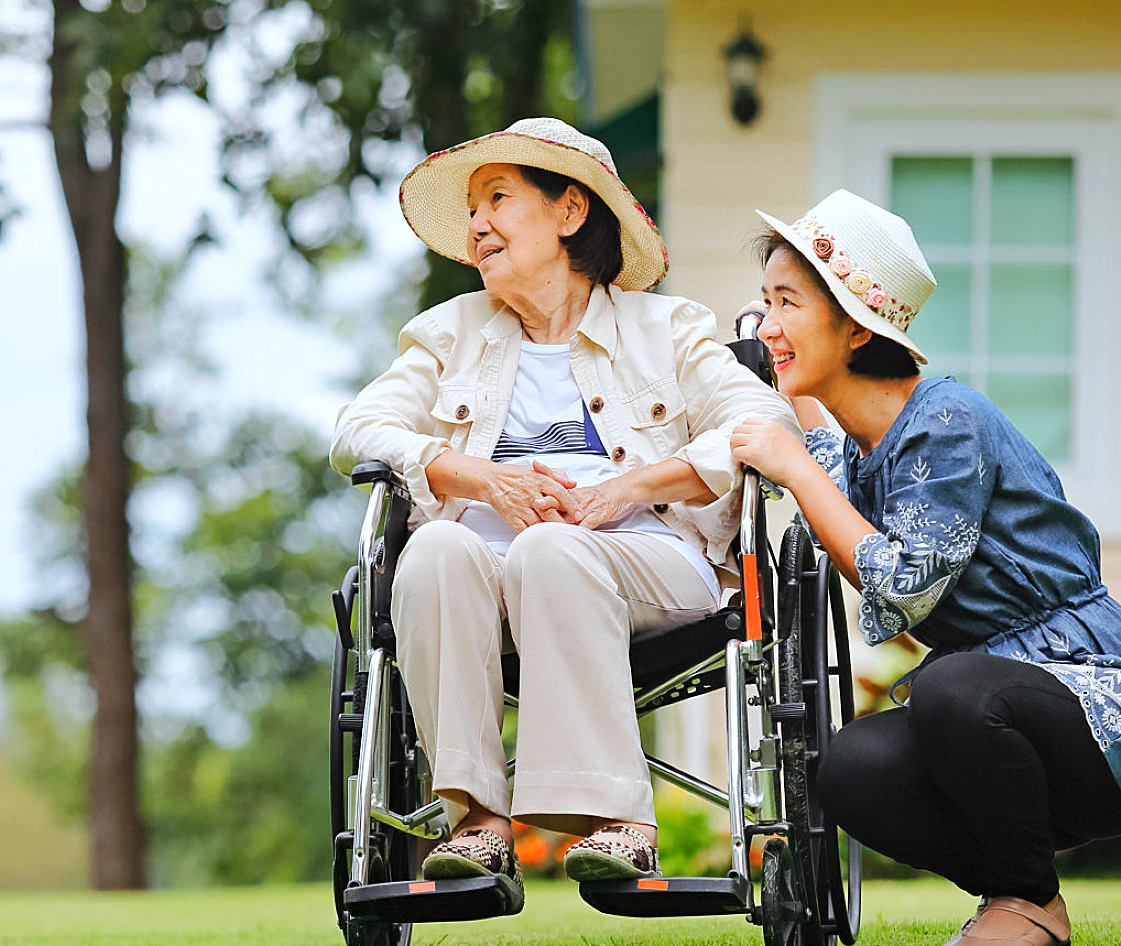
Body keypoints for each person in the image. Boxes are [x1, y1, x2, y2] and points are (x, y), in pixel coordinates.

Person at [329, 117, 796, 900]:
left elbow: (766, 424)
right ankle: (479, 824)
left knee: (552, 549)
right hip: (481, 572)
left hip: (645, 560)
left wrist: (630, 488)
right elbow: (356, 431)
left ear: (570, 212)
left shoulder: (668, 329)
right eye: (473, 208)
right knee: (433, 553)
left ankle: (620, 825)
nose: (477, 223)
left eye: (499, 199)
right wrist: (481, 479)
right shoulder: (450, 334)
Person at [728, 189, 1121, 946]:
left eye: (786, 304)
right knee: (850, 768)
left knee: (948, 683)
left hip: (1097, 708)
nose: (769, 325)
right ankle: (1025, 899)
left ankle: (1025, 902)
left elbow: (903, 585)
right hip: (990, 719)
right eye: (763, 303)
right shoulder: (858, 444)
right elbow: (823, 465)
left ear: (853, 328)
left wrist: (801, 474)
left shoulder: (946, 419)